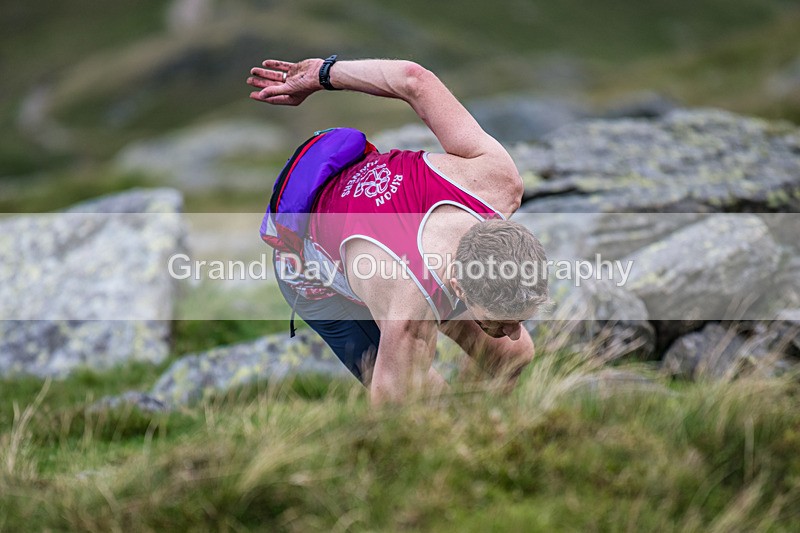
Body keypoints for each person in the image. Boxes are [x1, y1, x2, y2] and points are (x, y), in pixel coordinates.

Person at [247, 57, 548, 403]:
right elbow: (389, 419)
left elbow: (414, 79)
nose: (511, 332)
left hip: (385, 234)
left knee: (512, 355)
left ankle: (477, 426)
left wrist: (323, 73)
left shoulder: (497, 181)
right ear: (459, 289)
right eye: (505, 320)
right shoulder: (409, 311)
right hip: (311, 273)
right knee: (420, 403)